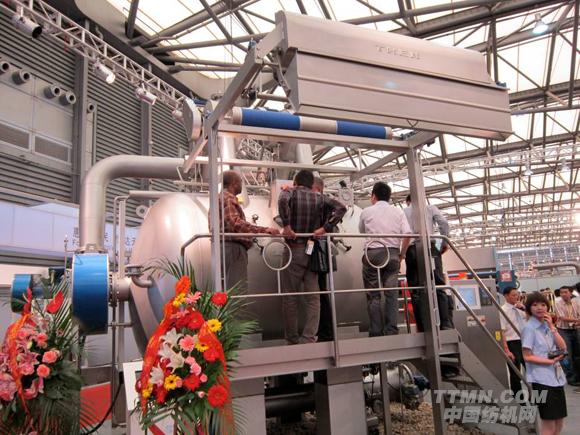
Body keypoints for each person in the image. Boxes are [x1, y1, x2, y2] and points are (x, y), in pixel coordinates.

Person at [278, 170, 346, 344]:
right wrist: (325, 228)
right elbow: (341, 208)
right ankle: (309, 337)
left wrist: (286, 226)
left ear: (296, 182)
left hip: (293, 250)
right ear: (311, 184)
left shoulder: (290, 193)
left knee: (290, 296)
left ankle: (292, 338)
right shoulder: (319, 198)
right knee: (313, 298)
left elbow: (282, 199)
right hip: (311, 251)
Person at [359, 182, 411, 336]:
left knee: (373, 294)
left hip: (372, 254)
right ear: (389, 197)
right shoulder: (398, 212)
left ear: (373, 196)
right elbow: (407, 234)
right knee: (391, 294)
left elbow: (361, 231)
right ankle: (391, 330)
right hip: (392, 254)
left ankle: (376, 331)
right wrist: (402, 254)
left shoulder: (366, 211)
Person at [217, 170, 279, 291]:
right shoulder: (228, 198)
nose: (241, 185)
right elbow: (235, 223)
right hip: (233, 249)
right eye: (241, 182)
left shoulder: (219, 198)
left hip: (223, 247)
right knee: (237, 292)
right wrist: (264, 230)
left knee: (226, 290)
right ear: (234, 183)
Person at [403, 194, 454, 331]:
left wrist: (402, 252)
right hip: (431, 248)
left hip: (412, 250)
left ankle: (422, 326)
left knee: (415, 289)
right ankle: (446, 324)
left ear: (408, 202)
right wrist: (443, 243)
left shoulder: (404, 211)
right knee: (439, 286)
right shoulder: (431, 208)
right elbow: (444, 224)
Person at [521, 291, 567, 435]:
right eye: (535, 305)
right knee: (549, 424)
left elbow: (563, 347)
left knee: (559, 422)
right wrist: (549, 361)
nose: (539, 308)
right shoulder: (529, 328)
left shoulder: (547, 326)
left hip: (556, 378)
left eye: (542, 304)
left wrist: (552, 327)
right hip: (541, 380)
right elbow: (527, 356)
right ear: (529, 308)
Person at [312, 176, 339, 342]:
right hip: (324, 251)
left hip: (319, 251)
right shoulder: (326, 204)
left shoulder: (322, 201)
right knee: (322, 291)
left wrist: (323, 229)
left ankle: (326, 332)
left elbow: (341, 208)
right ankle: (326, 331)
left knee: (321, 292)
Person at [500, 286, 527, 396]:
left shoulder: (520, 309)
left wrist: (524, 308)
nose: (517, 297)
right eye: (514, 295)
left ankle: (535, 395)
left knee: (531, 369)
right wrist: (507, 350)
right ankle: (518, 398)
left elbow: (529, 319)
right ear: (506, 296)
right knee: (515, 372)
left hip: (525, 342)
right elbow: (502, 332)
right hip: (512, 343)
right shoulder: (502, 311)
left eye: (517, 295)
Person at [554, 286, 580, 386]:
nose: (563, 294)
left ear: (570, 293)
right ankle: (571, 377)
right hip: (563, 330)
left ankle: (578, 375)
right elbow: (562, 317)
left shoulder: (576, 302)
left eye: (565, 292)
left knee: (577, 354)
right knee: (567, 354)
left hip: (576, 329)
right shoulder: (558, 303)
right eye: (561, 292)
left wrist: (578, 322)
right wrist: (577, 320)